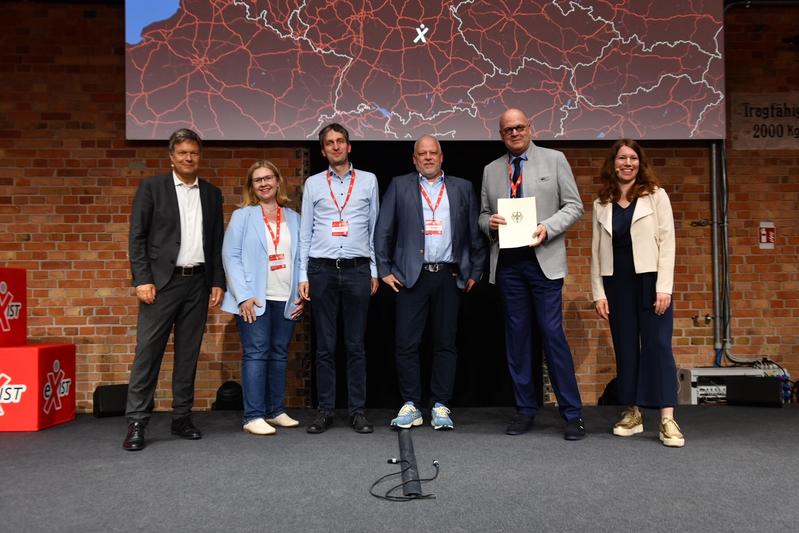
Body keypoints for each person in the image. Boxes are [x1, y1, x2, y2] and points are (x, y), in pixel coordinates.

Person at [478, 108, 586, 440]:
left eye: (519, 127)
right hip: (509, 265)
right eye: (507, 129)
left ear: (530, 128)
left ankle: (572, 415)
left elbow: (574, 206)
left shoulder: (555, 160)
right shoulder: (491, 170)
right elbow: (483, 215)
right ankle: (525, 410)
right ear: (501, 134)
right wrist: (489, 224)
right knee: (517, 340)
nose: (514, 133)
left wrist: (547, 227)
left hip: (544, 262)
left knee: (553, 336)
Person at [374, 135, 486, 430]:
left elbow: (475, 233)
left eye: (432, 153)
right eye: (421, 154)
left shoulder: (462, 187)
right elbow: (383, 230)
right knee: (406, 344)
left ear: (441, 156)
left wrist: (475, 270)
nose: (427, 158)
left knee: (445, 343)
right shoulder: (400, 186)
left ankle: (440, 405)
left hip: (449, 276)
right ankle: (411, 404)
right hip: (411, 278)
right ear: (414, 159)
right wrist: (384, 269)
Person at [124, 128, 225, 451]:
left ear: (199, 155)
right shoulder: (152, 188)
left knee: (188, 354)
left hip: (197, 282)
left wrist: (217, 282)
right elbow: (137, 237)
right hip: (161, 284)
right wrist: (142, 279)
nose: (188, 158)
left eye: (193, 152)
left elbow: (216, 242)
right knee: (148, 352)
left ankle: (182, 417)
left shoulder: (211, 193)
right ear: (171, 157)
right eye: (182, 153)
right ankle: (137, 421)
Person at [591, 139, 683, 447]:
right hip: (618, 284)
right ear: (613, 164)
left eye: (632, 158)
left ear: (640, 164)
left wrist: (664, 288)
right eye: (621, 158)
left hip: (651, 282)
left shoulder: (656, 197)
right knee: (626, 348)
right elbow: (595, 251)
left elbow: (667, 244)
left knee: (657, 346)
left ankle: (667, 418)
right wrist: (598, 293)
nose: (627, 163)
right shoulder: (601, 203)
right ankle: (633, 413)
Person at [298, 123, 379, 434]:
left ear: (349, 146)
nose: (335, 147)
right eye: (329, 143)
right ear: (322, 150)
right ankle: (326, 411)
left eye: (340, 141)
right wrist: (304, 274)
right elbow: (306, 233)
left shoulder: (369, 181)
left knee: (356, 345)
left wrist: (373, 270)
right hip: (322, 270)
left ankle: (357, 411)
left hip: (358, 270)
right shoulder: (314, 184)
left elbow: (374, 230)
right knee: (325, 346)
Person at [221, 161, 304, 436]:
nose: (264, 183)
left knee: (279, 355)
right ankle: (253, 415)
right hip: (254, 299)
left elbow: (300, 256)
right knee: (256, 354)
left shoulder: (293, 217)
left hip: (285, 296)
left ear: (278, 181)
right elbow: (230, 256)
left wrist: (300, 292)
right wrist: (243, 295)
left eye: (268, 178)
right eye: (258, 180)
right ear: (252, 187)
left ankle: (275, 411)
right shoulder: (243, 215)